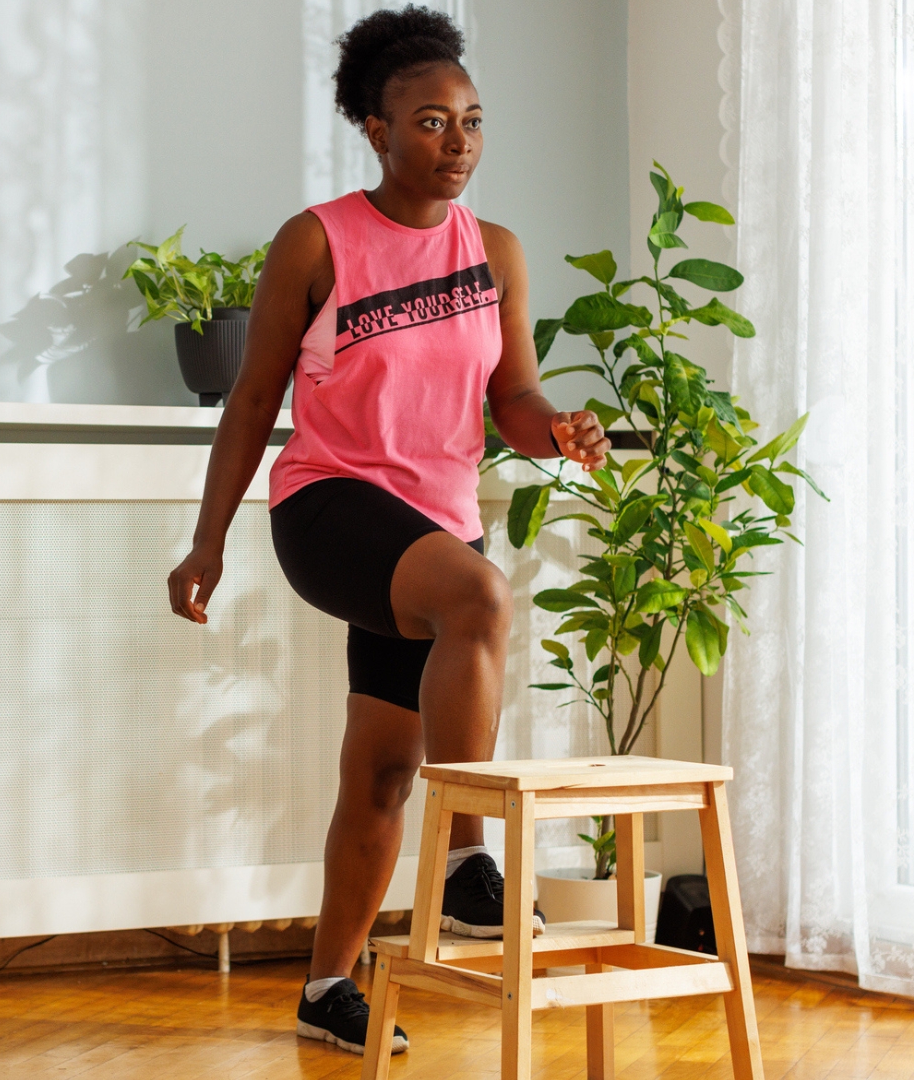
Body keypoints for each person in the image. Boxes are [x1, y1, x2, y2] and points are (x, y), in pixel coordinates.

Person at [165, 4, 609, 1058]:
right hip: (327, 505)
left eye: (471, 122)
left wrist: (562, 431)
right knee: (482, 598)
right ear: (375, 127)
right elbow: (251, 399)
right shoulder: (319, 240)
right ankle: (467, 865)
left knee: (378, 770)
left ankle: (327, 986)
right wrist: (208, 540)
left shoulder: (493, 252)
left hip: (433, 525)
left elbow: (515, 400)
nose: (457, 144)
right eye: (429, 122)